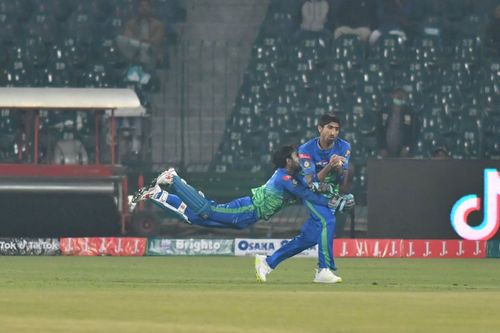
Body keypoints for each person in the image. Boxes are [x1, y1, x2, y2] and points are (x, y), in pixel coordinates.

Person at [132, 145, 352, 230]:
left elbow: (311, 186)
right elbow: (306, 192)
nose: (300, 159)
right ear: (287, 160)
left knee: (196, 218)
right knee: (206, 210)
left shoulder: (291, 176)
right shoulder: (284, 178)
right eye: (295, 156)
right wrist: (335, 202)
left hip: (248, 217)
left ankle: (157, 194)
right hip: (247, 209)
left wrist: (330, 190)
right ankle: (174, 179)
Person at [255, 114, 353, 284]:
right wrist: (330, 165)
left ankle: (267, 263)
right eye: (330, 127)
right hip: (312, 194)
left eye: (337, 129)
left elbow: (340, 180)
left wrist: (338, 170)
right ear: (320, 128)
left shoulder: (344, 146)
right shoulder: (306, 149)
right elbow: (311, 183)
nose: (334, 132)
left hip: (330, 193)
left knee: (308, 238)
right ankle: (324, 269)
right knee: (327, 221)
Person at [116, 0, 166, 68]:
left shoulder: (158, 25)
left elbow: (157, 40)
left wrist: (140, 41)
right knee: (120, 39)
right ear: (137, 8)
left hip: (152, 55)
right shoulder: (131, 23)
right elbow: (127, 38)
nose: (144, 8)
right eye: (141, 6)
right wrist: (142, 43)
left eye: (146, 6)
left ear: (151, 8)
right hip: (136, 53)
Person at [377, 87, 416, 158]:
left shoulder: (408, 113)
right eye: (397, 94)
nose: (400, 96)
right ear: (392, 95)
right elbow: (380, 130)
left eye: (402, 94)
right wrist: (382, 147)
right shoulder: (384, 112)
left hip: (401, 150)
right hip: (386, 149)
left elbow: (410, 132)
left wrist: (406, 147)